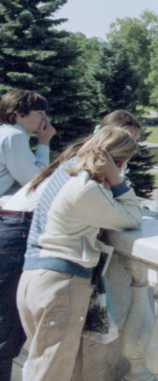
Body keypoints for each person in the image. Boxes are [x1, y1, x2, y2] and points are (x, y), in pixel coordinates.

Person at [0, 111, 141, 380]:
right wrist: (116, 180)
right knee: (50, 374)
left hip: (33, 279)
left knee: (38, 368)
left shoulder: (65, 173)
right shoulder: (86, 188)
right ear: (119, 162)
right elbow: (132, 217)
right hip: (61, 285)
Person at [0, 90, 56, 198]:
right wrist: (44, 142)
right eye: (40, 112)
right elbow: (35, 180)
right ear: (20, 115)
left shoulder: (5, 132)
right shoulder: (14, 136)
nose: (45, 118)